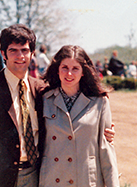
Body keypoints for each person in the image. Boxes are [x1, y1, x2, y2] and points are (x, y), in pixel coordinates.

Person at [0, 24, 116, 187]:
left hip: (36, 176)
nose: (19, 56)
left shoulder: (42, 90)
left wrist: (104, 131)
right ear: (3, 54)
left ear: (32, 54)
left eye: (24, 50)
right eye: (13, 50)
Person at [40, 45, 119, 187]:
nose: (69, 74)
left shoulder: (100, 102)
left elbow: (106, 150)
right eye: (64, 67)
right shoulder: (44, 100)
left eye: (75, 68)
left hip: (85, 180)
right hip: (53, 179)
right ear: (57, 69)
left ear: (83, 72)